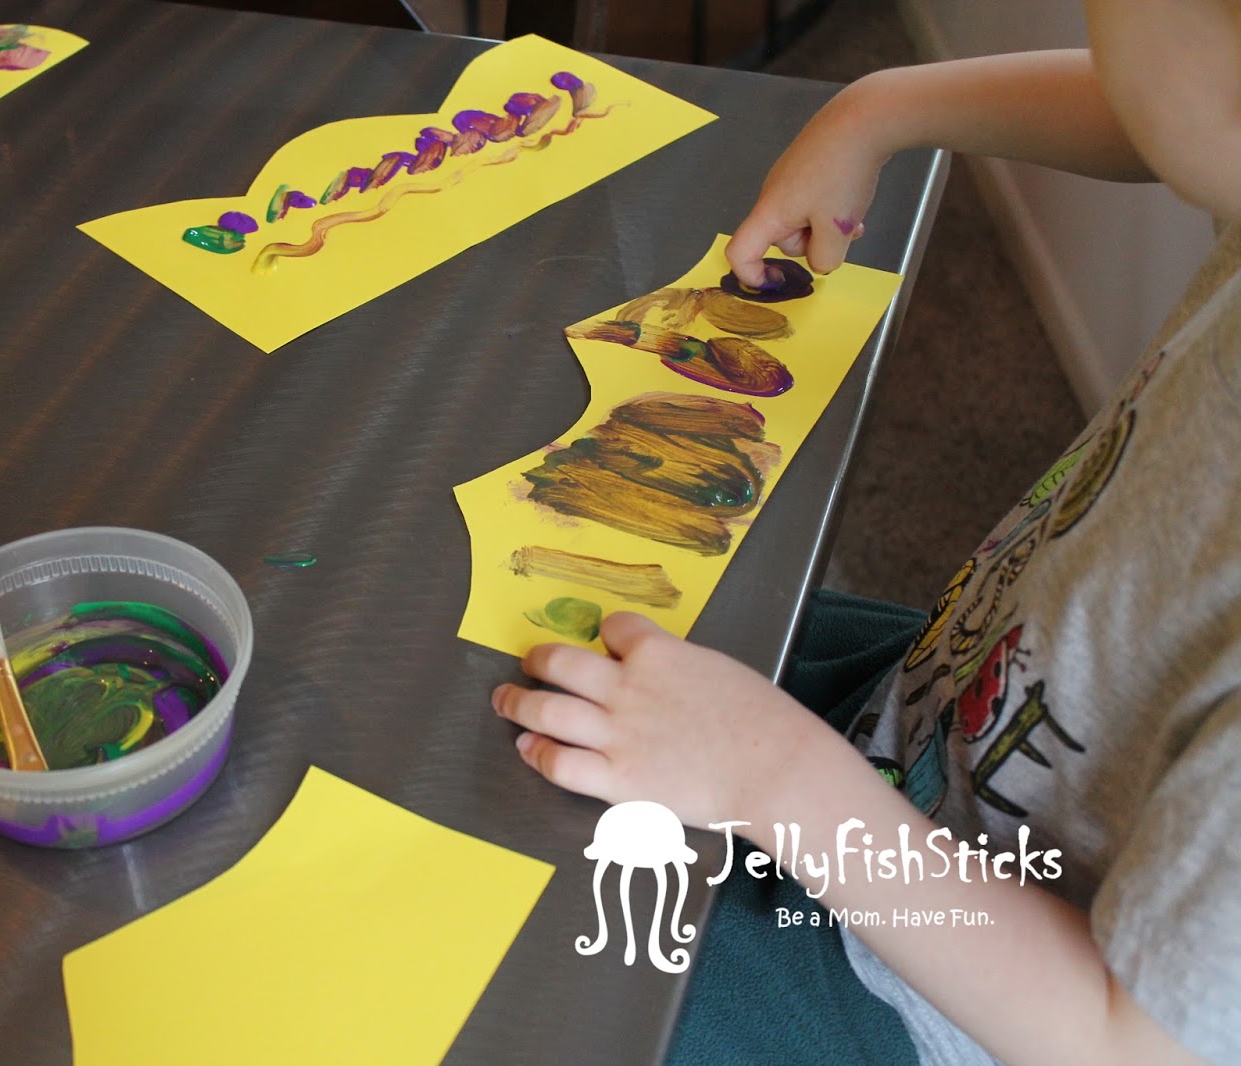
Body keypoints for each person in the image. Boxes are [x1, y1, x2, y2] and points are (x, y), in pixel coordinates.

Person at [490, 3, 1241, 1063]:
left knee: (516, 977)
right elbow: (1155, 112)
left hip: (920, 1001)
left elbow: (1132, 1043)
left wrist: (770, 774)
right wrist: (882, 108)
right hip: (936, 729)